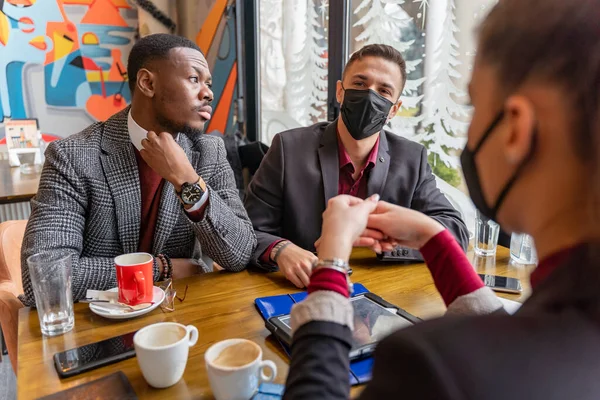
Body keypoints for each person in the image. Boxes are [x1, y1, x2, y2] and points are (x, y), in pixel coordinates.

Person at [283, 0, 600, 398]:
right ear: (340, 90)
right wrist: (436, 240)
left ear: (516, 129)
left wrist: (330, 266)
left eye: (473, 105)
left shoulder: (430, 366)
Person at [20, 34, 256, 306]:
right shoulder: (72, 156)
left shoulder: (209, 152)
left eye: (209, 83)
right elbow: (45, 276)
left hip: (178, 321)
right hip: (97, 327)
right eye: (194, 79)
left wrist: (187, 180)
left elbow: (240, 253)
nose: (208, 93)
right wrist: (160, 268)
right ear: (147, 83)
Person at [244, 44, 468, 288]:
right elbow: (246, 228)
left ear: (394, 109)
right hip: (298, 289)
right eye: (360, 84)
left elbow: (455, 232)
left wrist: (383, 239)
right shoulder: (289, 148)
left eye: (383, 91)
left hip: (379, 292)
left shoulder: (412, 158)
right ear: (340, 92)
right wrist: (281, 250)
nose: (370, 95)